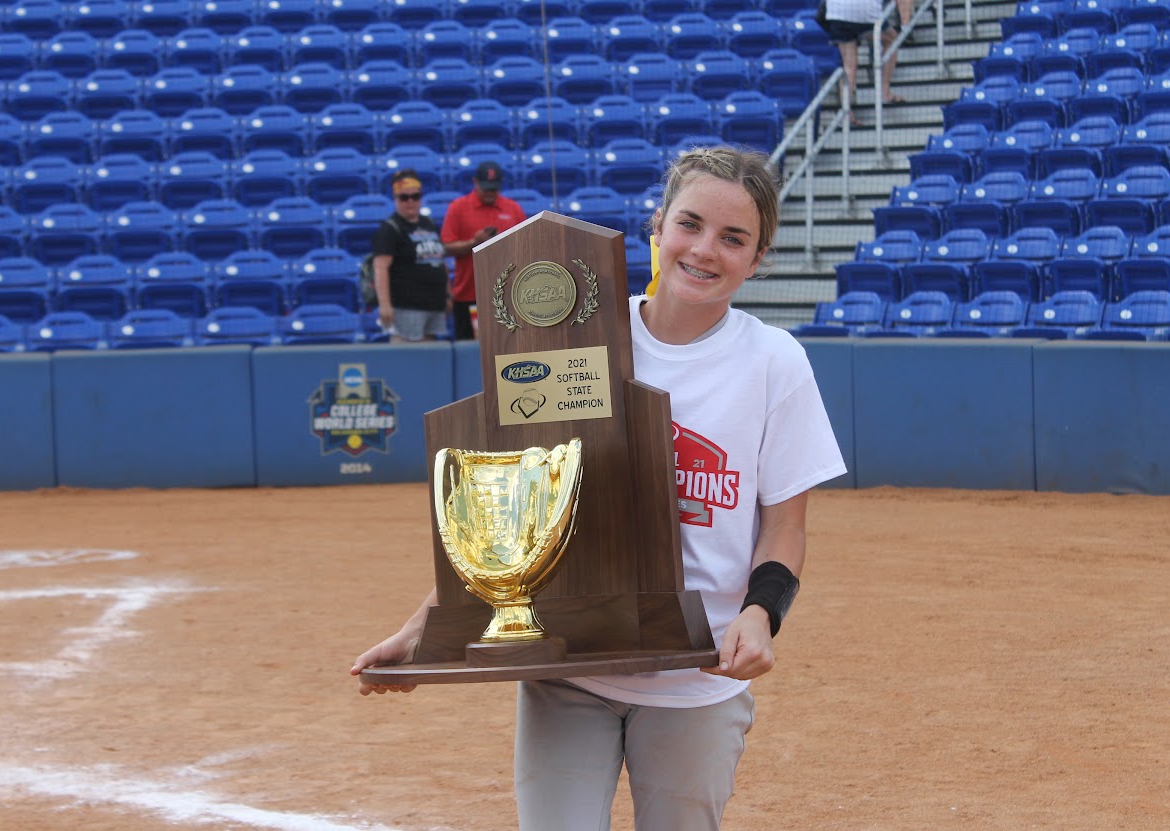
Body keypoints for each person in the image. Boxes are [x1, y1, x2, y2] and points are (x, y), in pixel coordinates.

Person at [351, 146, 847, 830]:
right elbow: (517, 512)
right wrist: (422, 626)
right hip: (568, 665)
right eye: (690, 224)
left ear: (758, 258)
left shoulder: (775, 363)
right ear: (658, 225)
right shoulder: (577, 336)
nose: (705, 250)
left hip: (697, 677)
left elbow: (785, 526)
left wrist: (762, 613)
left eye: (734, 238)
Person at [440, 161, 528, 340]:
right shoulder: (458, 208)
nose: (490, 193)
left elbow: (527, 245)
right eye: (486, 188)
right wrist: (474, 242)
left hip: (508, 296)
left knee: (507, 348)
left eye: (494, 189)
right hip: (469, 295)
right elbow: (446, 248)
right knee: (471, 351)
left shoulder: (513, 209)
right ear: (475, 182)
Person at [370, 169, 452, 342]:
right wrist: (384, 305)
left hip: (433, 306)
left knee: (432, 357)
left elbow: (440, 260)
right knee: (407, 359)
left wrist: (448, 295)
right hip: (406, 307)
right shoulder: (390, 229)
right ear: (396, 199)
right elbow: (380, 268)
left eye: (415, 196)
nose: (410, 202)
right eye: (404, 197)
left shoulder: (429, 223)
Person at [823, 0, 905, 125]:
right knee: (892, 39)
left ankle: (847, 112)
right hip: (866, 12)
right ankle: (886, 91)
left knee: (849, 65)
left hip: (838, 13)